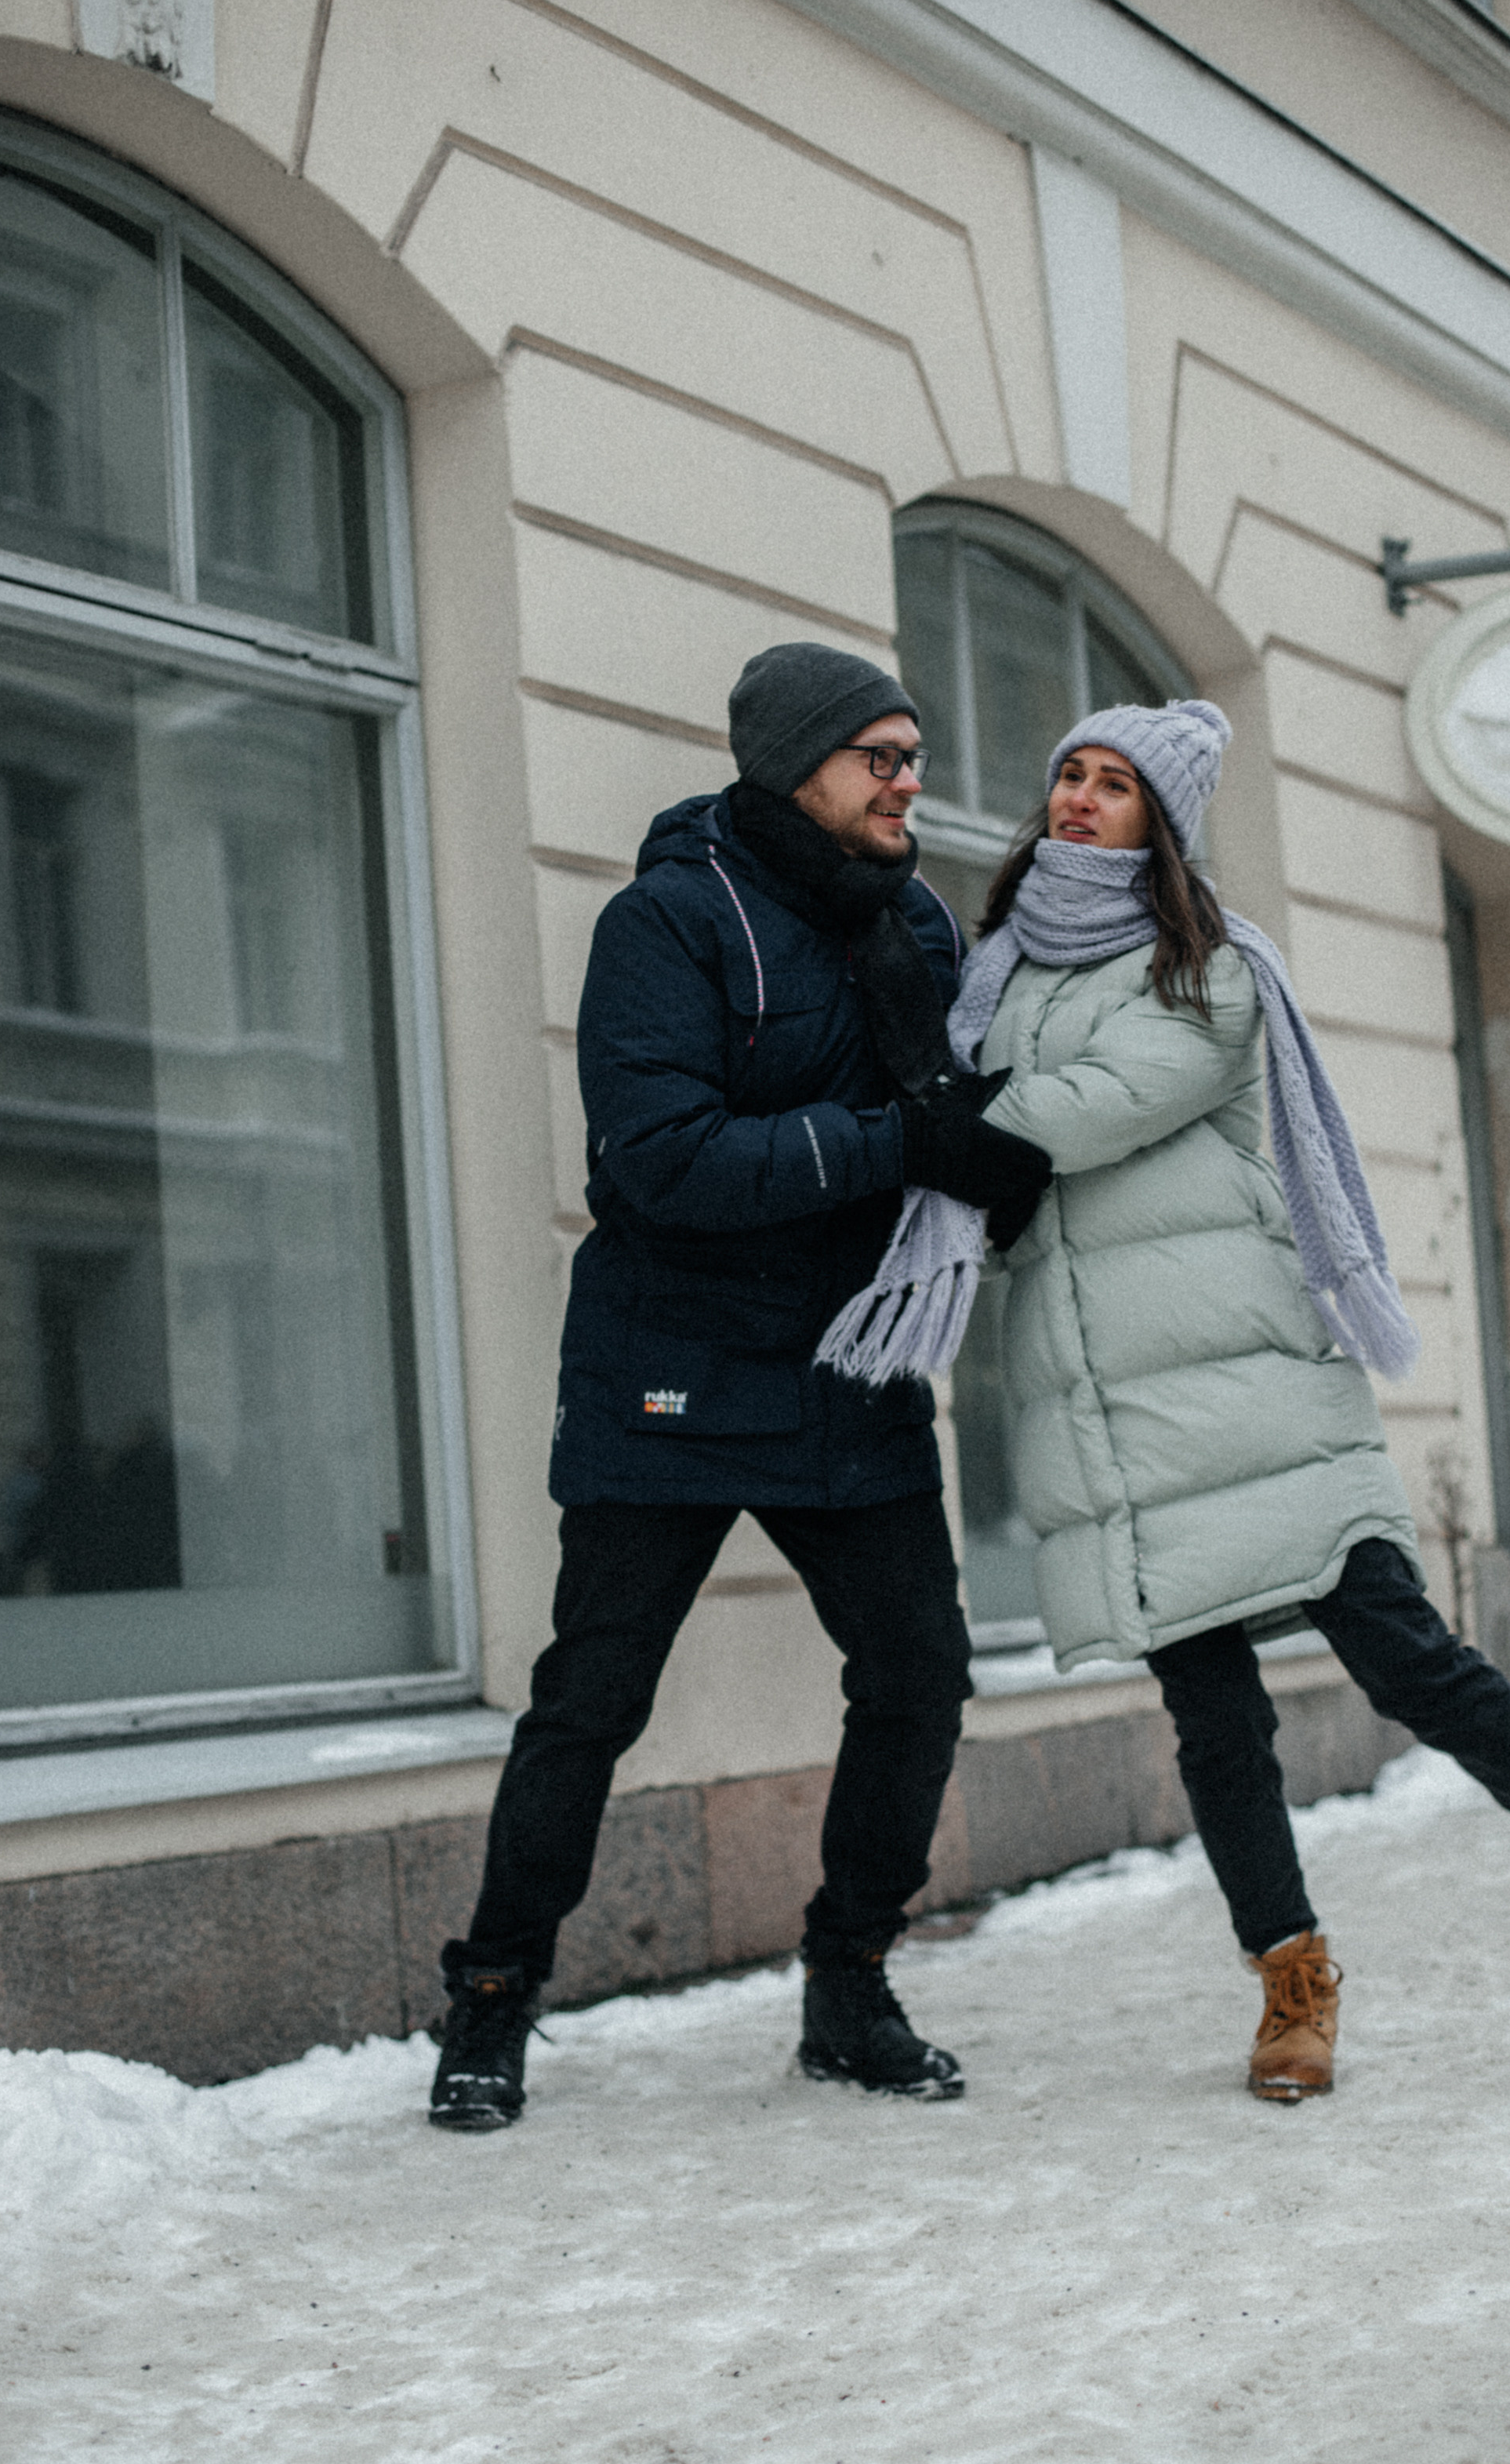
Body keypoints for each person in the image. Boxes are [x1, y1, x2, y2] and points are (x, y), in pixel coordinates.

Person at [951, 698, 1510, 2102]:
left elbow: (1103, 1103)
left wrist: (937, 1130)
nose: (1078, 799)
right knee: (1213, 1719)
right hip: (1111, 1402)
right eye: (1067, 773)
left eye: (1113, 785)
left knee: (1402, 1657)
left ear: (1158, 823)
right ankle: (1289, 1981)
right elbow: (998, 1174)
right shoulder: (991, 977)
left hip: (1251, 1382)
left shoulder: (1209, 968)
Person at [428, 642, 1051, 2129]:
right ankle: (494, 2001)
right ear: (793, 767)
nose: (910, 779)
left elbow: (964, 1119)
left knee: (916, 1678)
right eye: (879, 757)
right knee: (592, 1702)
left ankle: (848, 1984)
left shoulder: (909, 922)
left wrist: (997, 1163)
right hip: (675, 1372)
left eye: (911, 755)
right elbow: (658, 1163)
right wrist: (898, 1143)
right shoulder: (669, 920)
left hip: (851, 1371)